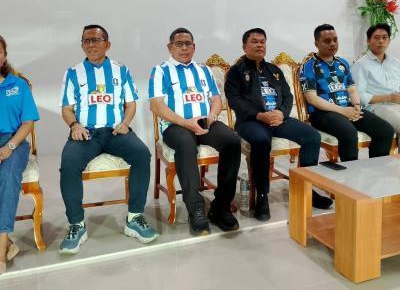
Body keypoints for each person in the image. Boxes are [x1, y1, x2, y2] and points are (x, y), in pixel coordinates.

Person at [59, 24, 158, 254]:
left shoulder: (120, 70)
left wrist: (125, 123)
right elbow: (66, 108)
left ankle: (134, 217)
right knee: (69, 163)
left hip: (115, 132)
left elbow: (131, 103)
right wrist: (74, 125)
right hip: (86, 133)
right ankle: (77, 225)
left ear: (107, 44)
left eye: (95, 40)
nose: (90, 45)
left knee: (142, 155)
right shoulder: (73, 73)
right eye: (86, 41)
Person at [224, 28, 331, 221]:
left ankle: (306, 187)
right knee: (261, 140)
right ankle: (262, 196)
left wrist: (281, 113)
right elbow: (235, 101)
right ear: (244, 46)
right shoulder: (235, 72)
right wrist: (260, 115)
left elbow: (288, 97)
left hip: (278, 118)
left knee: (312, 136)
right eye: (254, 41)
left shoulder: (274, 71)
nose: (259, 45)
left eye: (262, 41)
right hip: (251, 121)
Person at [149, 28, 241, 235]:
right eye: (179, 44)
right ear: (170, 47)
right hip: (175, 126)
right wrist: (185, 122)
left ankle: (221, 207)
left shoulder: (203, 70)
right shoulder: (161, 71)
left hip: (205, 121)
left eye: (188, 44)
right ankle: (196, 209)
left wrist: (212, 116)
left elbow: (216, 99)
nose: (184, 48)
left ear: (194, 47)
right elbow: (156, 105)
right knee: (186, 144)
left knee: (232, 141)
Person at [300, 24, 394, 162]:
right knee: (349, 133)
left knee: (385, 131)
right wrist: (343, 111)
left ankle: (376, 168)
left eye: (335, 40)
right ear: (316, 43)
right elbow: (312, 99)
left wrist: (356, 105)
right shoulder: (309, 66)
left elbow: (352, 89)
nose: (333, 44)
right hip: (322, 113)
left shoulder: (342, 63)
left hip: (348, 108)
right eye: (327, 41)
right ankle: (350, 173)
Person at [0, 35, 39, 274]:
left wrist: (9, 148)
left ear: (4, 56)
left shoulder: (18, 85)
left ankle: (0, 250)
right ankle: (8, 244)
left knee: (8, 175)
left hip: (14, 140)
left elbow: (28, 123)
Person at [352, 23, 400, 142]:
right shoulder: (360, 64)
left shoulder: (395, 63)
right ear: (368, 41)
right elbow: (358, 95)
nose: (381, 41)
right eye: (377, 38)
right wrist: (388, 98)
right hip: (376, 108)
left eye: (384, 37)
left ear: (389, 40)